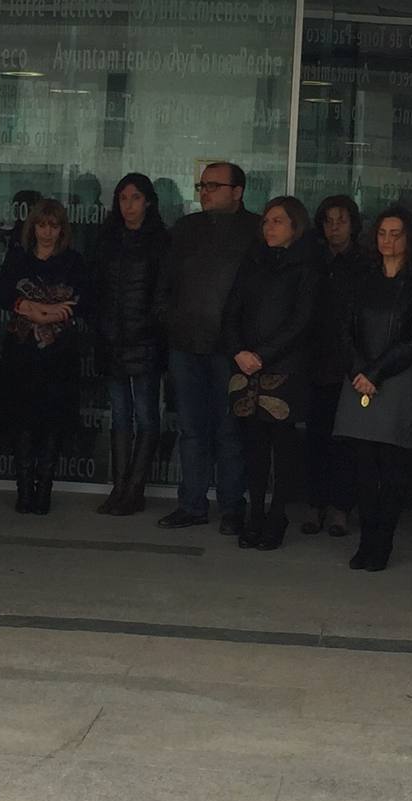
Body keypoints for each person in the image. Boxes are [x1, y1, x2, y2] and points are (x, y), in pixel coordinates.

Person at [326, 207, 412, 571]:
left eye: (396, 233)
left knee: (390, 468)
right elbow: (342, 329)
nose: (388, 241)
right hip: (357, 379)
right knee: (362, 466)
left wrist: (376, 371)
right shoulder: (362, 278)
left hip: (395, 379)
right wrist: (359, 369)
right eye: (383, 233)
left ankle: (382, 541)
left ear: (409, 239)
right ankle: (365, 540)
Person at [154, 161, 256, 532]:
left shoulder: (255, 231)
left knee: (230, 431)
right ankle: (192, 504)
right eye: (202, 186)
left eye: (214, 185)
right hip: (185, 344)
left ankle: (232, 507)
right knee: (192, 429)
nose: (205, 191)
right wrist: (168, 317)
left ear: (238, 191)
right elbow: (164, 282)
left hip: (231, 350)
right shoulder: (186, 228)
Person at [221, 196, 319, 550]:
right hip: (247, 367)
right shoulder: (253, 261)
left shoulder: (307, 265)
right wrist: (238, 351)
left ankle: (278, 514)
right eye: (266, 221)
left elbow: (301, 321)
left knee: (283, 445)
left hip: (284, 368)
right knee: (254, 446)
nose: (269, 228)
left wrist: (261, 355)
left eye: (278, 221)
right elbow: (232, 308)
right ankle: (255, 514)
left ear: (296, 226)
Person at [0, 198, 89, 517]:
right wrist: (34, 310)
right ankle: (23, 488)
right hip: (21, 353)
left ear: (62, 230)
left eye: (54, 225)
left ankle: (44, 489)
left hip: (58, 355)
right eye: (42, 225)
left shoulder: (73, 261)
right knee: (21, 420)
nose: (47, 232)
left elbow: (81, 299)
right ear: (32, 227)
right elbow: (4, 294)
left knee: (52, 422)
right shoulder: (19, 257)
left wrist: (43, 313)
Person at [86, 173, 171, 518]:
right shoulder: (106, 239)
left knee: (146, 415)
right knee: (120, 416)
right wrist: (101, 328)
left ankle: (135, 489)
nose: (128, 205)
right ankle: (119, 488)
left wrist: (148, 327)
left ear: (148, 202)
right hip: (112, 339)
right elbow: (95, 289)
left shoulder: (161, 241)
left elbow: (164, 295)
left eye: (135, 198)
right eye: (122, 198)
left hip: (146, 341)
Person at [296, 194, 365, 534]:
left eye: (341, 220)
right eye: (328, 220)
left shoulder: (365, 263)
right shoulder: (312, 260)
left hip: (351, 365)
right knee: (315, 439)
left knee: (346, 442)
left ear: (353, 224)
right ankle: (315, 504)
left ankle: (341, 507)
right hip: (314, 360)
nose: (335, 227)